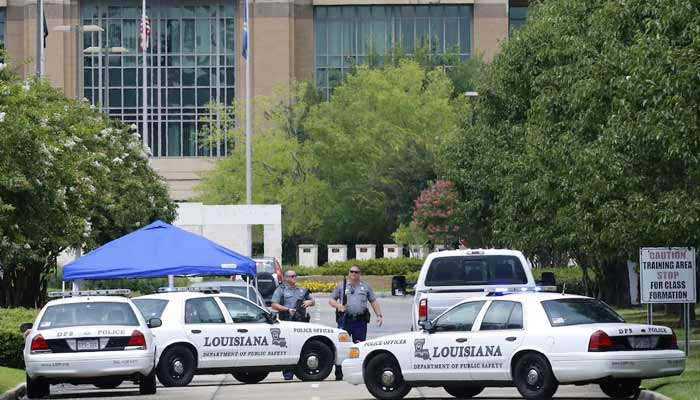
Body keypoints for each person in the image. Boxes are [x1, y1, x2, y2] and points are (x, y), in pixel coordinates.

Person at [329, 265, 382, 380]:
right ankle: (339, 372)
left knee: (359, 346)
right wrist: (339, 306)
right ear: (349, 273)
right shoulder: (342, 286)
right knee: (342, 347)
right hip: (345, 320)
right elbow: (331, 299)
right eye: (351, 271)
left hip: (360, 321)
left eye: (356, 272)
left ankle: (359, 371)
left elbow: (373, 301)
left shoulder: (365, 287)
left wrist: (379, 315)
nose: (353, 274)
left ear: (359, 274)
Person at [271, 270, 314, 380]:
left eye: (295, 275)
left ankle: (302, 370)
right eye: (292, 276)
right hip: (287, 321)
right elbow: (274, 305)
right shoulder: (281, 290)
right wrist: (287, 309)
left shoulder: (301, 290)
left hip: (301, 322)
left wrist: (309, 302)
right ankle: (288, 374)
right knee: (289, 347)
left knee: (302, 347)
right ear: (286, 278)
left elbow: (312, 300)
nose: (295, 277)